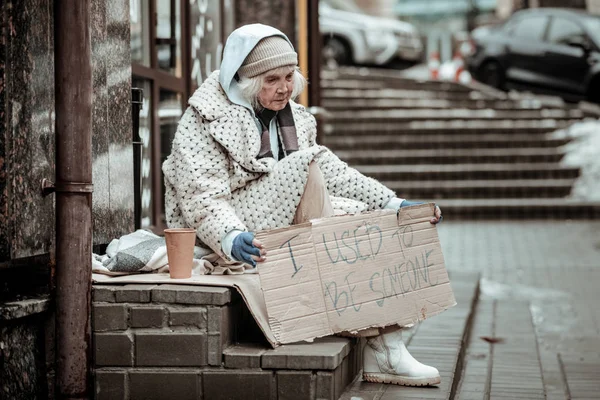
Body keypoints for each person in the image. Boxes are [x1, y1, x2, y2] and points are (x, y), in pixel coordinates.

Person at [162, 23, 443, 387]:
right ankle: (373, 338)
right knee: (307, 165)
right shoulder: (204, 118)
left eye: (290, 76)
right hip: (227, 225)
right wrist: (231, 236)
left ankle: (386, 348)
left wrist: (393, 202)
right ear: (246, 80)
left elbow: (334, 175)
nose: (284, 87)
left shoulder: (292, 115)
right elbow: (201, 194)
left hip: (277, 213)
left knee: (364, 216)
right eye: (271, 79)